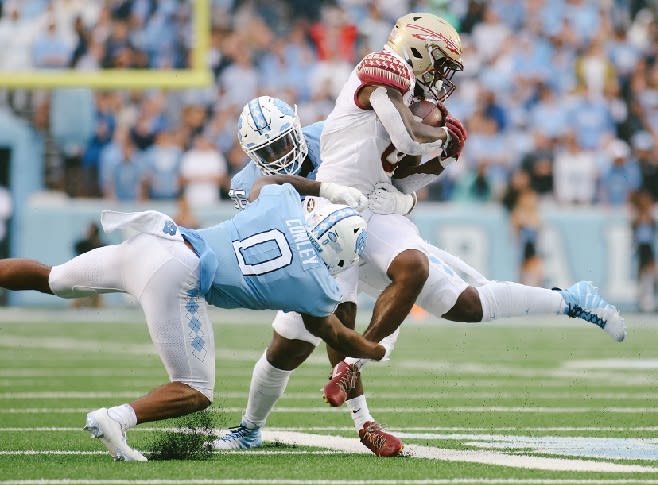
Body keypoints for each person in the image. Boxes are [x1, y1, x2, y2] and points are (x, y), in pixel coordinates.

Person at [318, 12, 625, 421]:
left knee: (462, 302)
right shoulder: (381, 68)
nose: (444, 76)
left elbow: (401, 182)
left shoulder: (413, 101)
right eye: (441, 62)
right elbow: (408, 136)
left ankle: (571, 299)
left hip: (372, 208)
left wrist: (442, 162)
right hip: (333, 207)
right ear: (417, 48)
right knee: (329, 316)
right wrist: (440, 135)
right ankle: (289, 417)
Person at [0, 174, 395, 462]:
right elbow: (334, 335)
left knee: (51, 278)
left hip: (158, 238)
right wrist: (374, 349)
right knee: (195, 389)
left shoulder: (282, 206)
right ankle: (115, 419)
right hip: (178, 275)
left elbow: (267, 182)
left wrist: (326, 189)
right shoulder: (315, 287)